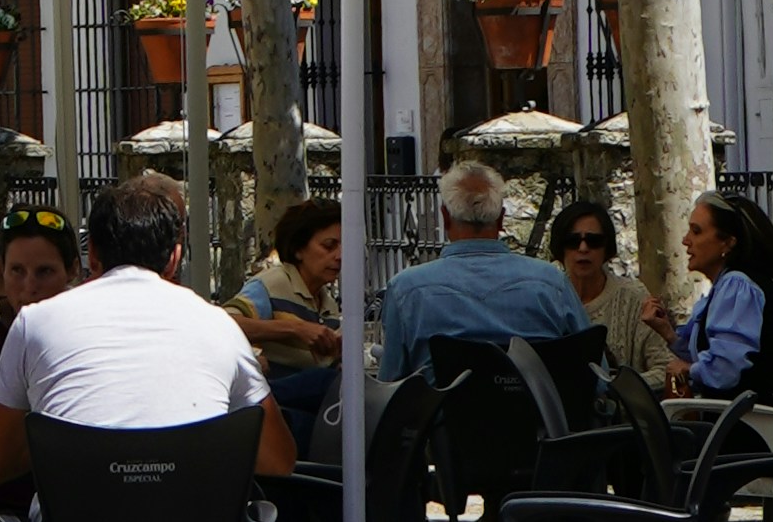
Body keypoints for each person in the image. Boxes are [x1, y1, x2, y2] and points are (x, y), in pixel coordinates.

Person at [0, 173, 290, 491]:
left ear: (92, 254)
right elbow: (278, 460)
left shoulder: (33, 324)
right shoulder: (220, 326)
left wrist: (63, 439)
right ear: (174, 259)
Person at [378, 157, 585, 384]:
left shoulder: (406, 290)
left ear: (445, 217)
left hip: (445, 418)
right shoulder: (552, 282)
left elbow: (391, 384)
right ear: (501, 219)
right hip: (540, 416)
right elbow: (594, 373)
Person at [655, 187, 773, 398]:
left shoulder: (737, 285)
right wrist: (667, 333)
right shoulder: (726, 286)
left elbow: (724, 371)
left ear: (727, 242)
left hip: (748, 424)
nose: (685, 240)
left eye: (696, 231)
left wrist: (686, 369)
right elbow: (710, 357)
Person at [235, 196, 346, 441]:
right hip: (272, 400)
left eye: (344, 246)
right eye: (329, 246)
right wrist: (294, 330)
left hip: (301, 412)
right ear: (298, 249)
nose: (339, 256)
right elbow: (225, 323)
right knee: (327, 384)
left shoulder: (327, 303)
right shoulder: (272, 283)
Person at [548, 199, 653, 380]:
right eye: (573, 241)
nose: (583, 248)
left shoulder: (634, 298)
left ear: (607, 248)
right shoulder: (545, 300)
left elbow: (666, 368)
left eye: (593, 241)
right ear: (560, 247)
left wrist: (618, 388)